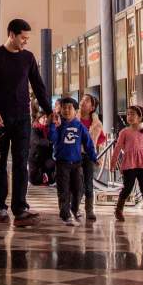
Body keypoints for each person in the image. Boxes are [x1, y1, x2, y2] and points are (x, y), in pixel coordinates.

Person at [0, 19, 53, 227]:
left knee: (22, 163)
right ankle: (0, 207)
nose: (25, 42)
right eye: (22, 37)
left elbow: (38, 87)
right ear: (11, 34)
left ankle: (20, 209)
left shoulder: (28, 58)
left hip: (22, 118)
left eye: (27, 38)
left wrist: (49, 111)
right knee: (0, 163)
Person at [49, 97, 98, 226]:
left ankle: (75, 209)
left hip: (76, 163)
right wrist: (52, 125)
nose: (66, 110)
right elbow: (52, 138)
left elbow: (88, 143)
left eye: (69, 108)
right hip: (62, 163)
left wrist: (93, 157)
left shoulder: (80, 127)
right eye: (64, 107)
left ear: (76, 111)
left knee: (78, 189)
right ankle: (65, 214)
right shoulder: (59, 126)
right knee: (63, 190)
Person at [77, 94, 106, 220]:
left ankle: (89, 210)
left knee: (88, 183)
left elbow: (101, 139)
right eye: (82, 99)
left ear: (92, 107)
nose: (83, 101)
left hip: (88, 156)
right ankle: (75, 207)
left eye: (87, 101)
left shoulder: (97, 124)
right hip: (74, 155)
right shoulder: (73, 118)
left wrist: (93, 150)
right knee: (77, 183)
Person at [29, 112, 55, 185]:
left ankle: (49, 178)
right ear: (38, 119)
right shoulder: (34, 129)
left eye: (47, 117)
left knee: (53, 166)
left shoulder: (49, 129)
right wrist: (50, 142)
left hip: (46, 157)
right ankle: (42, 177)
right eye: (43, 117)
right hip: (35, 158)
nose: (46, 119)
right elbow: (37, 140)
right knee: (34, 181)